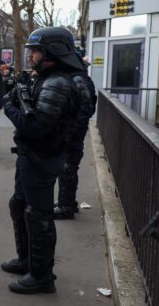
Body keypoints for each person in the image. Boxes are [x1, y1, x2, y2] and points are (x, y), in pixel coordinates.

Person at [1, 27, 82, 294]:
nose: (31, 55)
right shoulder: (48, 79)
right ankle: (28, 261)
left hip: (41, 158)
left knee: (38, 215)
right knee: (20, 205)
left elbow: (34, 127)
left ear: (51, 52)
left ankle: (42, 275)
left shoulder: (57, 82)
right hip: (31, 156)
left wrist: (10, 105)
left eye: (35, 50)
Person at [54, 52, 97, 220]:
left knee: (68, 168)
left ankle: (66, 206)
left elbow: (84, 110)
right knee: (68, 168)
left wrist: (71, 132)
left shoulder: (78, 80)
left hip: (73, 135)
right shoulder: (78, 79)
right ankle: (67, 202)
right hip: (73, 133)